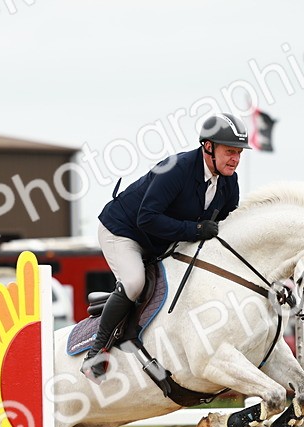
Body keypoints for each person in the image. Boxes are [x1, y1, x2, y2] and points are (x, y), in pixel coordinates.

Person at [82, 112, 249, 378]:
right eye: (230, 151)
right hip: (124, 231)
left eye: (239, 153)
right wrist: (194, 229)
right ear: (208, 146)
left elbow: (227, 221)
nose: (236, 159)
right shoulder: (176, 168)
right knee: (135, 282)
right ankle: (96, 352)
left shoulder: (230, 181)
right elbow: (146, 218)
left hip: (162, 240)